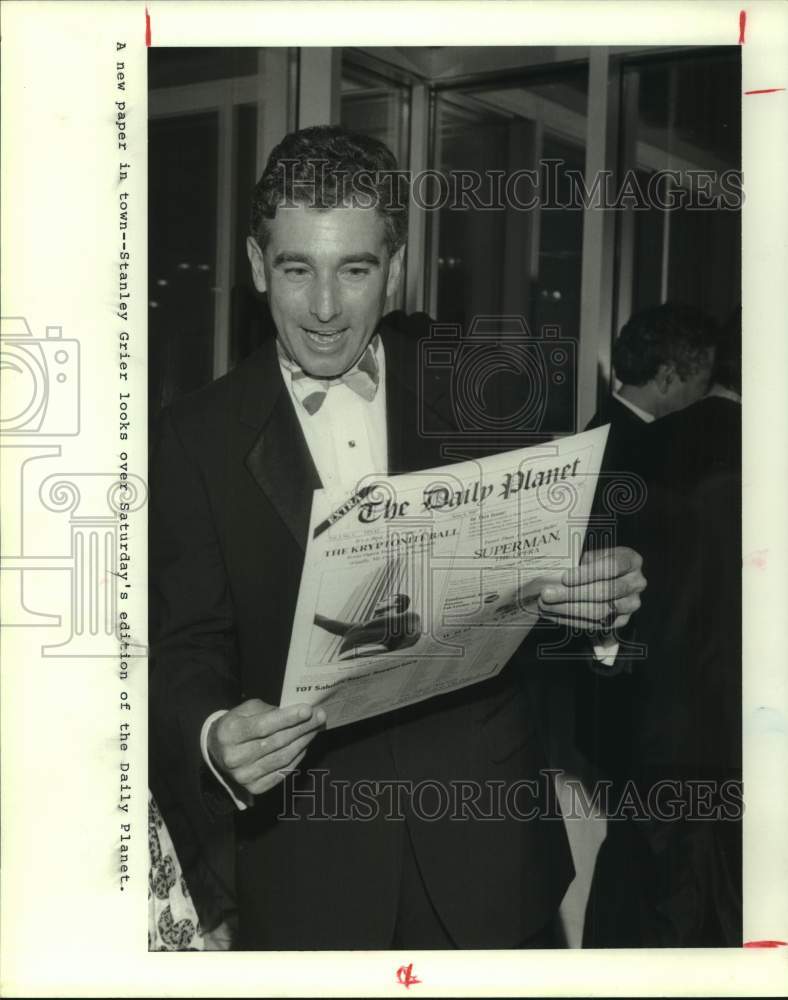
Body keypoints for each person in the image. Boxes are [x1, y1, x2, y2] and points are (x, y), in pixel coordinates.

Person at [149, 125, 648, 950]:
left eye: (355, 269)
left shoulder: (481, 383)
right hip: (310, 867)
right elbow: (186, 645)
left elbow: (567, 557)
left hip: (493, 855)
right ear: (252, 264)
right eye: (295, 268)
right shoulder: (194, 436)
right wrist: (213, 734)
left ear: (398, 266)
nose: (323, 309)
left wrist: (596, 603)